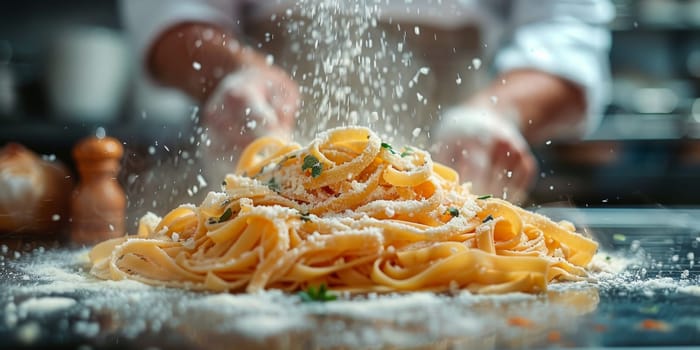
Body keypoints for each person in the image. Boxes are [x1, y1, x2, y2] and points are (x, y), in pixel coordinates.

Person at [121, 0, 613, 203]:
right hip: (257, 173)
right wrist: (234, 70)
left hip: (454, 179)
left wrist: (495, 112)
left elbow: (566, 29)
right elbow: (170, 11)